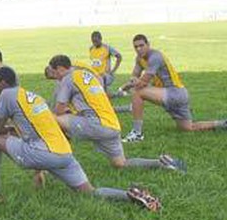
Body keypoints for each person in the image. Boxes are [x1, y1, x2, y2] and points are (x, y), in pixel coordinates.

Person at [0, 66, 161, 212]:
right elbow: (37, 132)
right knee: (91, 192)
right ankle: (131, 196)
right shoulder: (34, 97)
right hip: (64, 153)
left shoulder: (7, 94)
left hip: (44, 154)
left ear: (2, 82)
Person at [48, 55, 185, 171]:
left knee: (51, 118)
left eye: (54, 73)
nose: (55, 78)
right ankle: (162, 163)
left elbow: (59, 110)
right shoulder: (86, 75)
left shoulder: (67, 79)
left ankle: (56, 165)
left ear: (60, 69)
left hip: (95, 124)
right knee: (120, 163)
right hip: (112, 126)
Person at [122, 34, 227, 142]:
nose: (139, 49)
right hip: (177, 94)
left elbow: (142, 83)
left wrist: (128, 85)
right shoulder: (139, 59)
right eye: (136, 47)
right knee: (188, 128)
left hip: (174, 93)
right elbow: (134, 75)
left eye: (141, 45)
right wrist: (131, 82)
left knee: (138, 92)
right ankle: (222, 124)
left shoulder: (155, 57)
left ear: (148, 44)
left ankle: (137, 133)